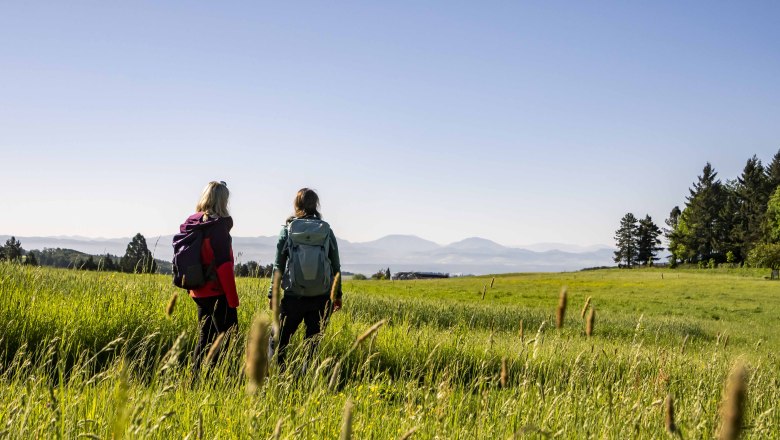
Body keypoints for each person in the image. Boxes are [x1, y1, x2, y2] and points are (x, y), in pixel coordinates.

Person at [270, 188, 342, 370]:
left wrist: (273, 294)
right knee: (312, 343)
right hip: (321, 296)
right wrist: (337, 295)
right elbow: (335, 266)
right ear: (316, 205)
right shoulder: (326, 230)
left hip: (294, 295)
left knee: (280, 339)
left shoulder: (288, 230)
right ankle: (306, 377)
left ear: (297, 205)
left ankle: (278, 374)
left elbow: (278, 265)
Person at [179, 181, 239, 373]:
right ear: (223, 201)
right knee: (229, 337)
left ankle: (196, 380)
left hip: (198, 290)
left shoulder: (193, 224)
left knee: (205, 338)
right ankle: (224, 380)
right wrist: (232, 300)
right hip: (218, 291)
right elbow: (224, 266)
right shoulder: (218, 228)